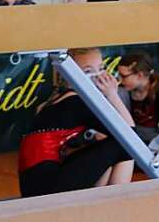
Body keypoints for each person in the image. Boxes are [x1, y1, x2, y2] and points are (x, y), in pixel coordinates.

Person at [18, 47, 133, 197]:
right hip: (44, 186)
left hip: (34, 183)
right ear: (70, 75)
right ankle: (118, 202)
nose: (99, 76)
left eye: (101, 68)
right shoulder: (75, 102)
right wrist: (112, 95)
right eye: (88, 71)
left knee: (110, 147)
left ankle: (103, 203)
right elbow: (131, 134)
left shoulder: (58, 98)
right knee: (125, 146)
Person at [117, 52, 159, 141]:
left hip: (152, 135)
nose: (120, 80)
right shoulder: (123, 91)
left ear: (139, 75)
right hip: (129, 131)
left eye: (123, 76)